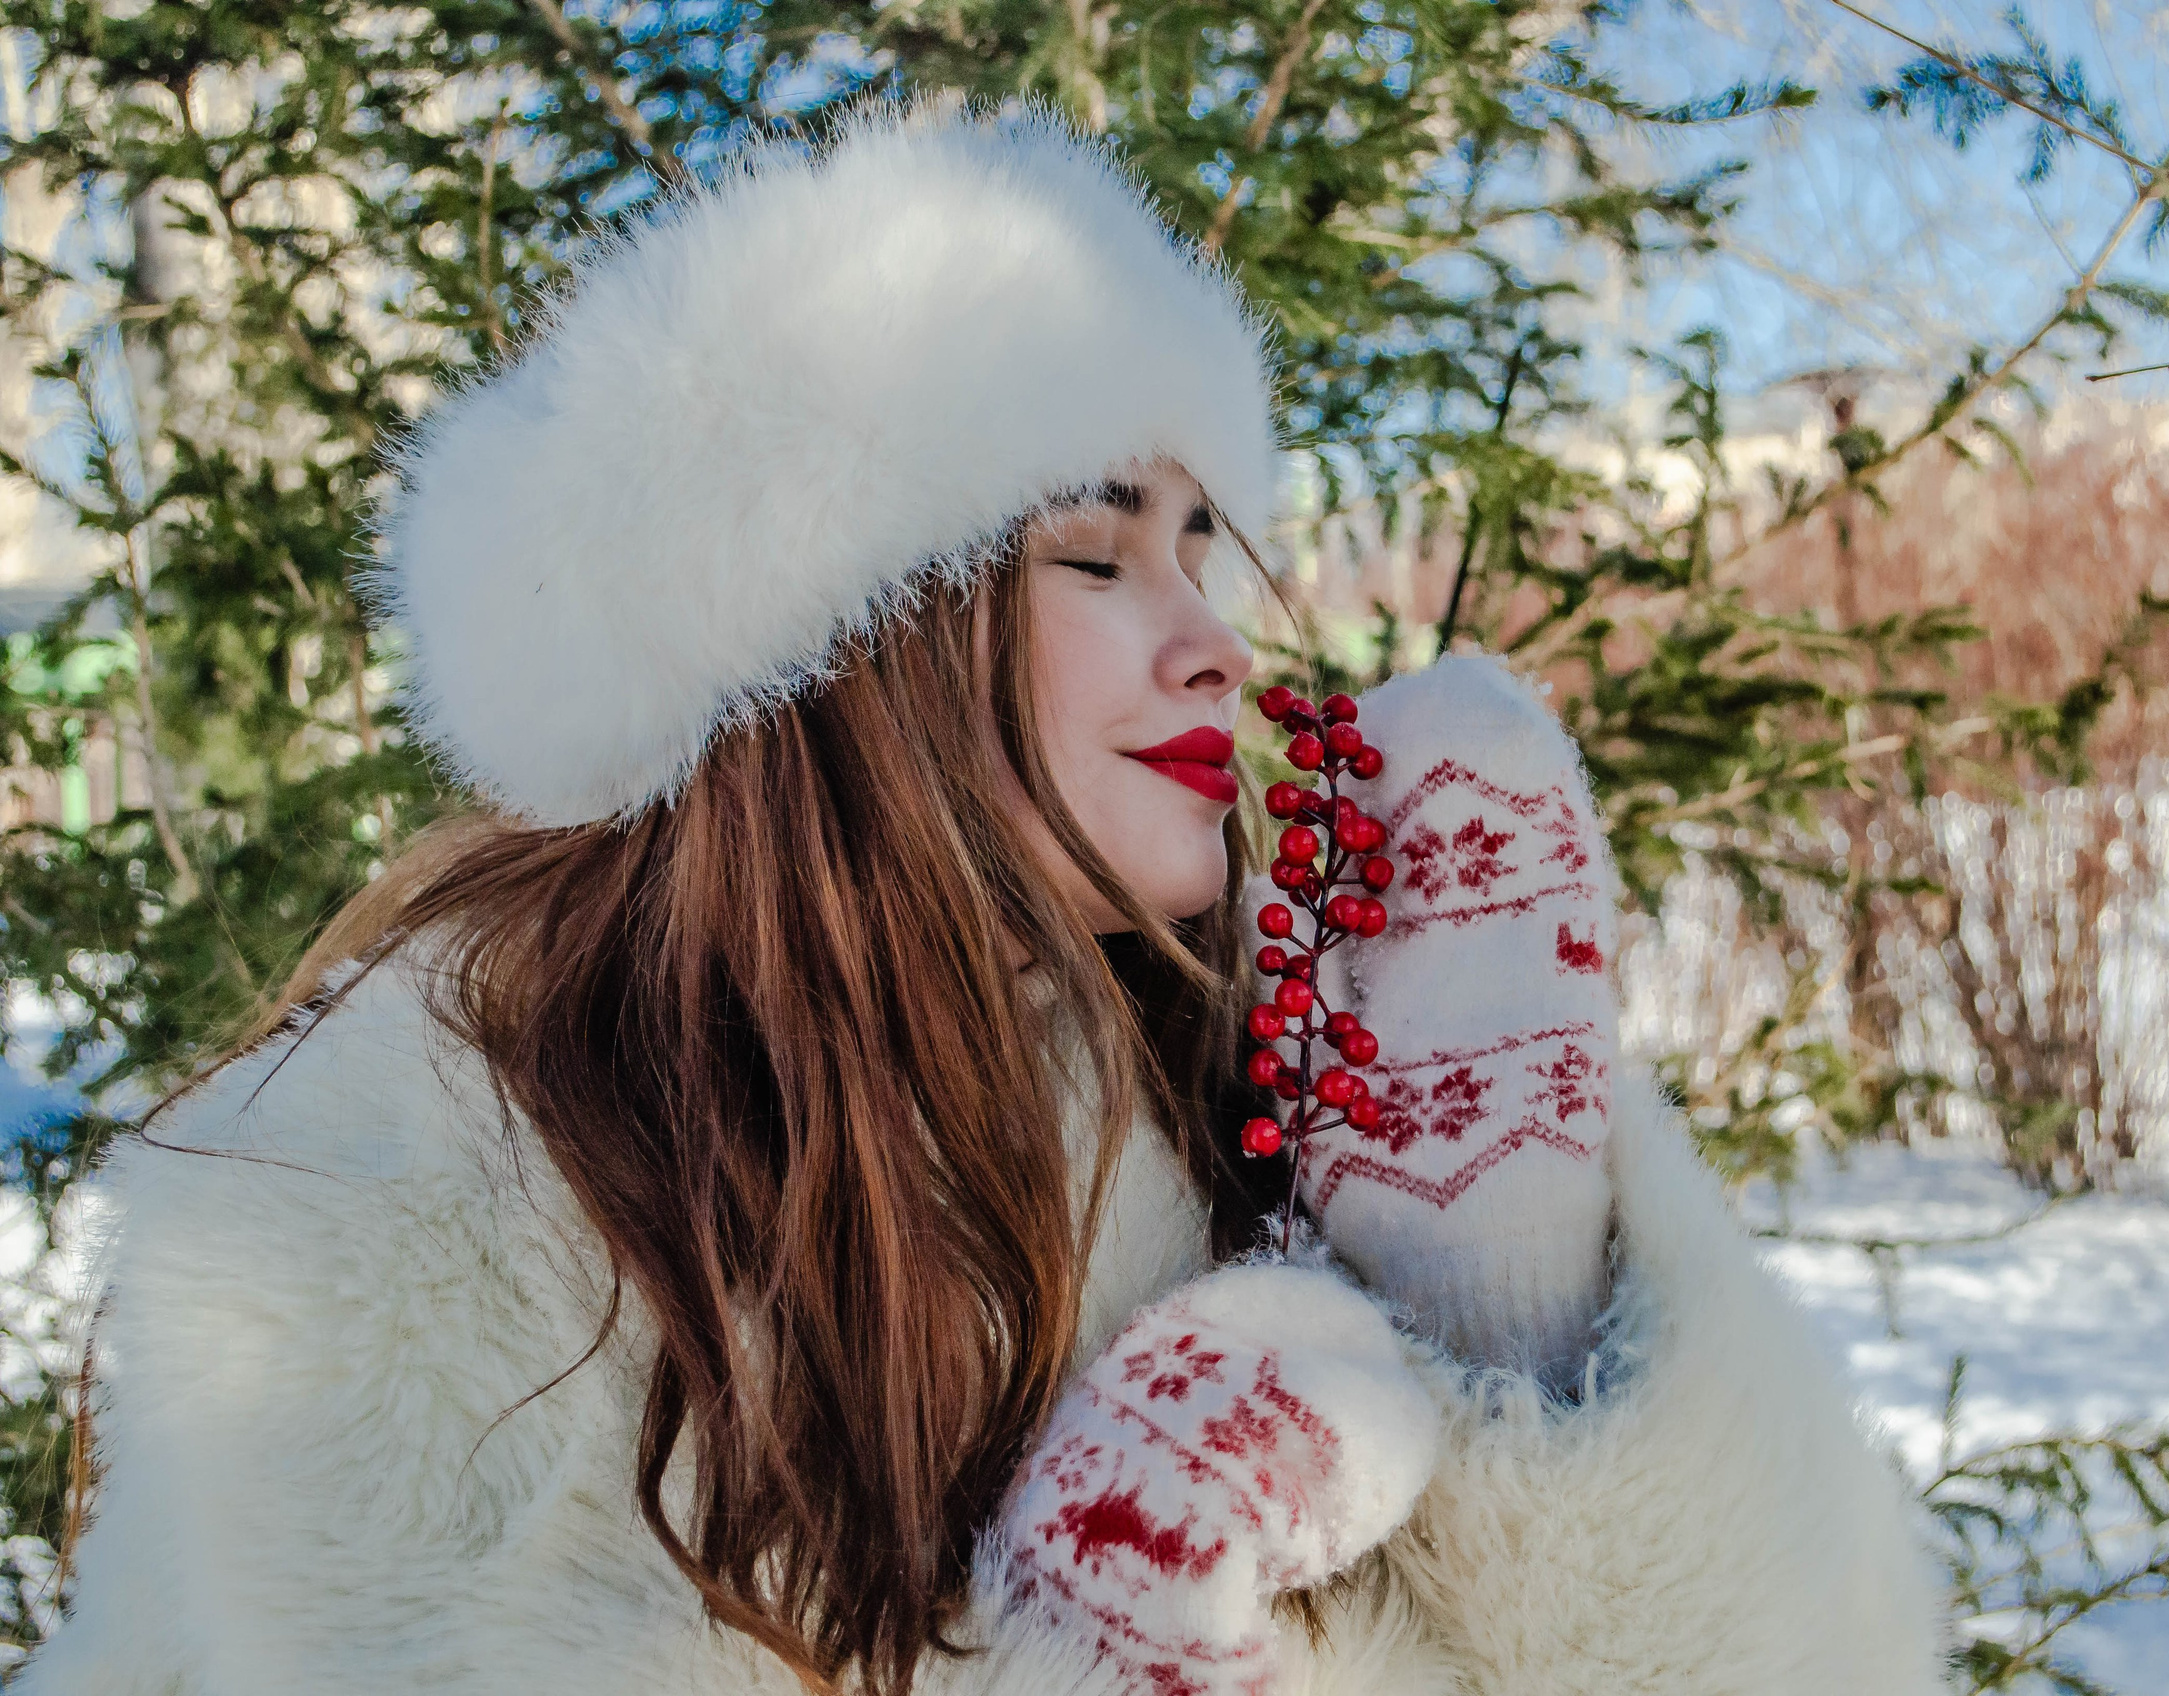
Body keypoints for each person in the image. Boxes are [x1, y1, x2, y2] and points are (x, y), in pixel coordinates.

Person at [22, 105, 1952, 1696]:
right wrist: (1085, 1647)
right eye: (1095, 559)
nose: (1215, 642)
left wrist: (1514, 1310)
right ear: (845, 648)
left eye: (1203, 544)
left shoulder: (1268, 1070)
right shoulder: (419, 1174)